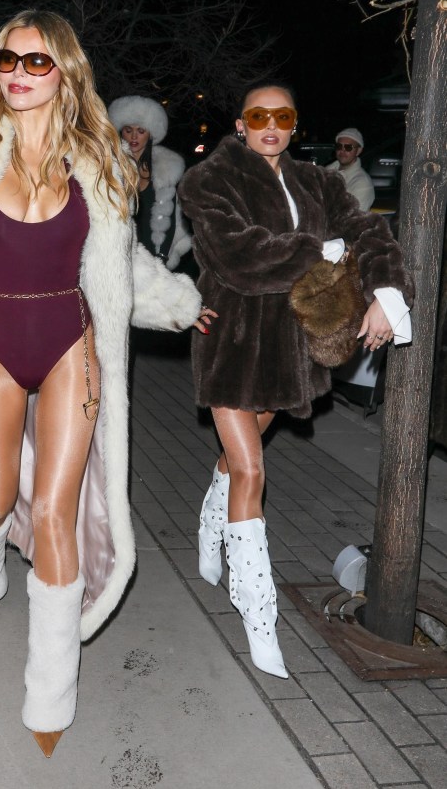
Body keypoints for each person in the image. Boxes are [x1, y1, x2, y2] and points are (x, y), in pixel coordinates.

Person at [0, 10, 211, 756]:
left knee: (54, 509)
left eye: (35, 62)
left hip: (69, 342)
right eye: (6, 60)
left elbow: (118, 265)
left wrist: (184, 303)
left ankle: (50, 687)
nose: (16, 73)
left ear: (66, 72)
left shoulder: (99, 160)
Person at [178, 84, 413, 679]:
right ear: (241, 123)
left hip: (288, 349)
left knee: (240, 456)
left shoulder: (318, 181)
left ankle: (211, 527)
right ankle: (258, 612)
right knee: (253, 469)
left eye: (284, 116)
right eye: (260, 116)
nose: (272, 126)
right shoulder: (208, 180)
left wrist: (386, 294)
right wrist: (322, 250)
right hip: (230, 340)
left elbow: (370, 233)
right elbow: (236, 256)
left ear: (294, 122)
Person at [107, 96, 191, 269]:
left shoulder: (165, 169)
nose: (134, 136)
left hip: (153, 254)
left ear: (150, 134)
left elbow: (171, 217)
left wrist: (162, 256)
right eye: (128, 130)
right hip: (117, 254)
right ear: (121, 132)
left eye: (141, 130)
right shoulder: (110, 168)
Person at [326, 127, 375, 211]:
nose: (342, 151)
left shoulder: (362, 184)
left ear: (358, 151)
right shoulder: (325, 172)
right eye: (339, 146)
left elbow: (351, 219)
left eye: (348, 147)